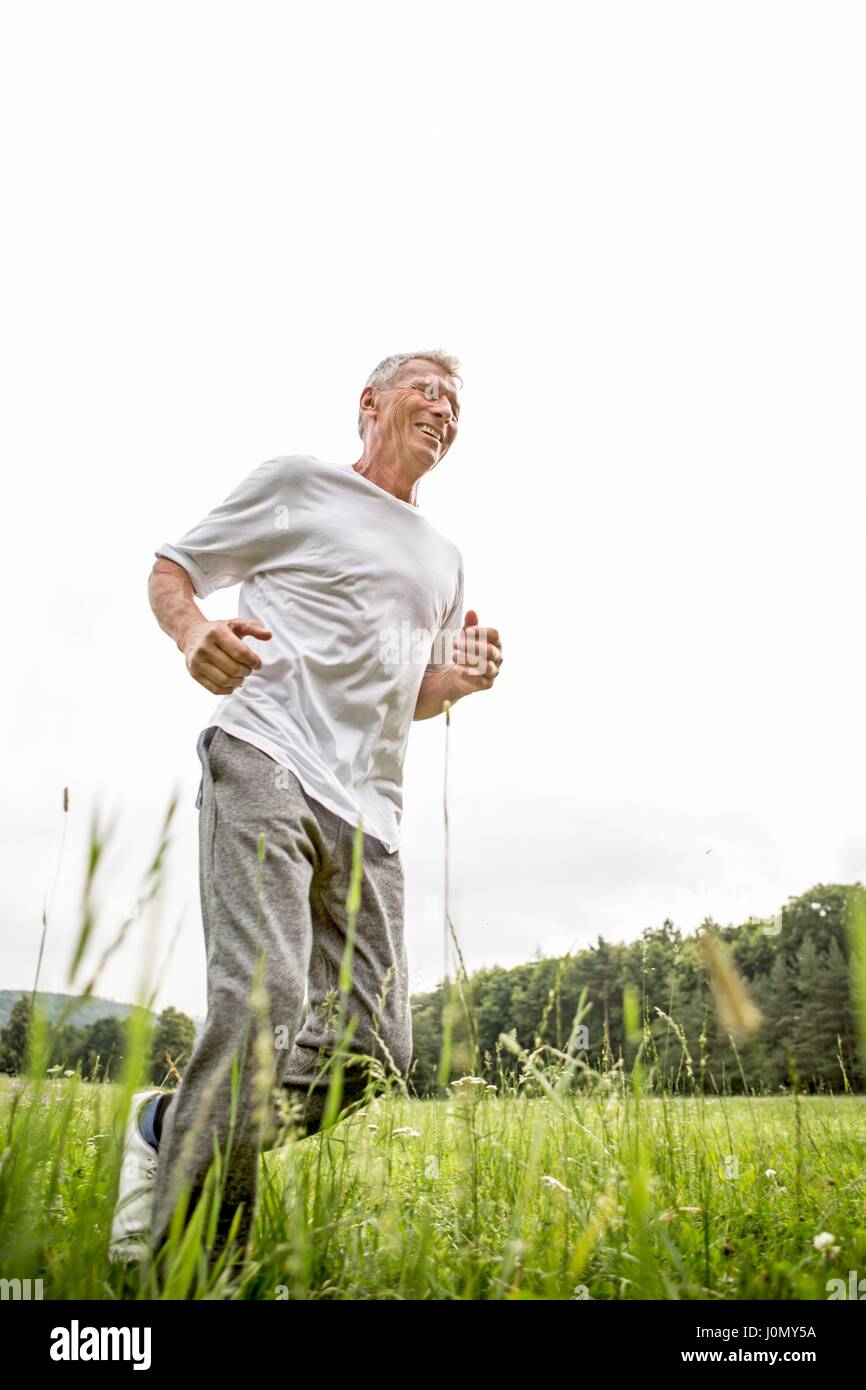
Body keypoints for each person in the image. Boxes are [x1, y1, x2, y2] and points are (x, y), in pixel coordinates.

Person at [109, 350, 503, 1266]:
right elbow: (175, 567)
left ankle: (172, 1127)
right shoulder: (301, 484)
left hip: (371, 812)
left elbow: (415, 686)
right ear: (370, 403)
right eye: (427, 391)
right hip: (267, 756)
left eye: (456, 403)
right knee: (263, 1003)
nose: (444, 410)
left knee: (372, 1051)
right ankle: (199, 1268)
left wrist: (464, 679)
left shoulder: (444, 558)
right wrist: (193, 631)